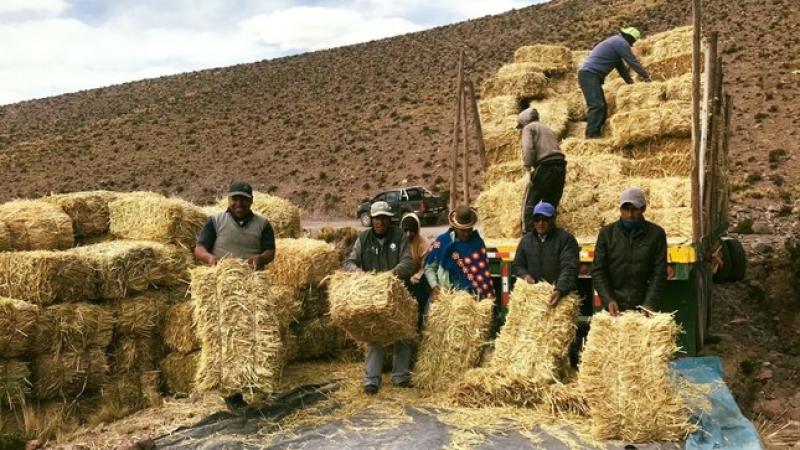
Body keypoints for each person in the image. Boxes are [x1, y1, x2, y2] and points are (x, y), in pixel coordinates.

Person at [193, 180, 276, 411]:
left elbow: (270, 251)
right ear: (228, 200)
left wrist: (260, 259)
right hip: (223, 287)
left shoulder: (263, 224)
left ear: (251, 201)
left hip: (251, 286)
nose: (238, 203)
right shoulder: (215, 221)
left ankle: (254, 382)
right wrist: (210, 259)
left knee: (252, 336)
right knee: (226, 338)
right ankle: (232, 392)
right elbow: (199, 248)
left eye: (243, 199)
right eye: (234, 199)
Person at [343, 201, 419, 395]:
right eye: (377, 218)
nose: (380, 222)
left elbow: (409, 262)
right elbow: (349, 262)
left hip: (397, 293)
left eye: (384, 218)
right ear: (372, 220)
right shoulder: (364, 238)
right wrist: (360, 274)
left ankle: (400, 376)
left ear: (389, 218)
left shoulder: (399, 236)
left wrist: (392, 274)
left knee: (403, 332)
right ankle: (371, 380)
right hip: (373, 295)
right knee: (374, 334)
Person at [591, 187, 667, 316]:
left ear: (643, 209)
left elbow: (659, 272)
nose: (630, 215)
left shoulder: (656, 234)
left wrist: (649, 303)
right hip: (614, 306)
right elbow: (598, 270)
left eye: (634, 209)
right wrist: (608, 299)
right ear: (620, 209)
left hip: (643, 304)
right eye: (626, 209)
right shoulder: (607, 234)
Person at [578, 27, 652, 138]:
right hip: (589, 74)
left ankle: (597, 134)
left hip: (590, 74)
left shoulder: (615, 44)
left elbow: (622, 69)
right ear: (629, 37)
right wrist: (647, 77)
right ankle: (591, 136)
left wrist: (632, 85)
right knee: (597, 105)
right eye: (633, 42)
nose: (632, 45)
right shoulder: (620, 43)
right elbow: (632, 61)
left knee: (602, 106)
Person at [512, 202, 579, 306]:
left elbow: (569, 268)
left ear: (553, 219)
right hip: (533, 297)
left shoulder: (566, 240)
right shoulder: (526, 240)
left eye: (545, 219)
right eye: (537, 219)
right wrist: (525, 276)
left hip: (557, 296)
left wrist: (559, 290)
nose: (540, 223)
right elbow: (517, 265)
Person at [424, 206, 494, 301]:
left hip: (471, 300)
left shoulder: (477, 244)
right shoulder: (441, 242)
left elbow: (482, 275)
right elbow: (429, 267)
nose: (466, 233)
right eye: (463, 230)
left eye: (469, 229)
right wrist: (434, 285)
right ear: (455, 227)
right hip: (446, 296)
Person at [517, 107, 567, 234]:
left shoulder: (529, 128)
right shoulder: (547, 128)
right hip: (560, 165)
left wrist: (528, 167)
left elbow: (528, 148)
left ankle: (528, 234)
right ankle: (549, 232)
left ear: (523, 122)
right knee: (551, 201)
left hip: (545, 165)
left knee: (530, 201)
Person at [401, 213, 430, 329]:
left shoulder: (424, 243)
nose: (408, 234)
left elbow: (426, 266)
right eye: (405, 230)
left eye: (412, 231)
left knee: (418, 301)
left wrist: (417, 276)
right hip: (404, 274)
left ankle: (418, 325)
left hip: (419, 278)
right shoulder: (400, 241)